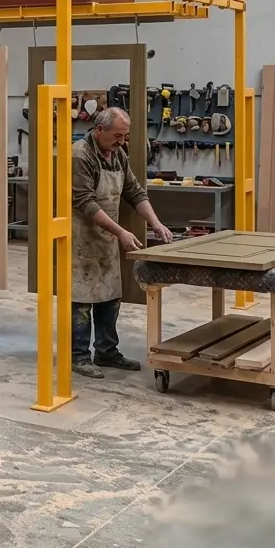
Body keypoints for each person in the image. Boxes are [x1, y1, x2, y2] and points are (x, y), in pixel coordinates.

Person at [70, 106, 173, 378]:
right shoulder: (80, 155)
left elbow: (134, 191)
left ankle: (106, 351)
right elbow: (85, 202)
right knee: (82, 298)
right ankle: (79, 356)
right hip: (81, 238)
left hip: (106, 238)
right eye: (117, 135)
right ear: (99, 130)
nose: (122, 141)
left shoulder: (117, 154)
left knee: (111, 296)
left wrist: (155, 223)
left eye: (125, 136)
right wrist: (121, 232)